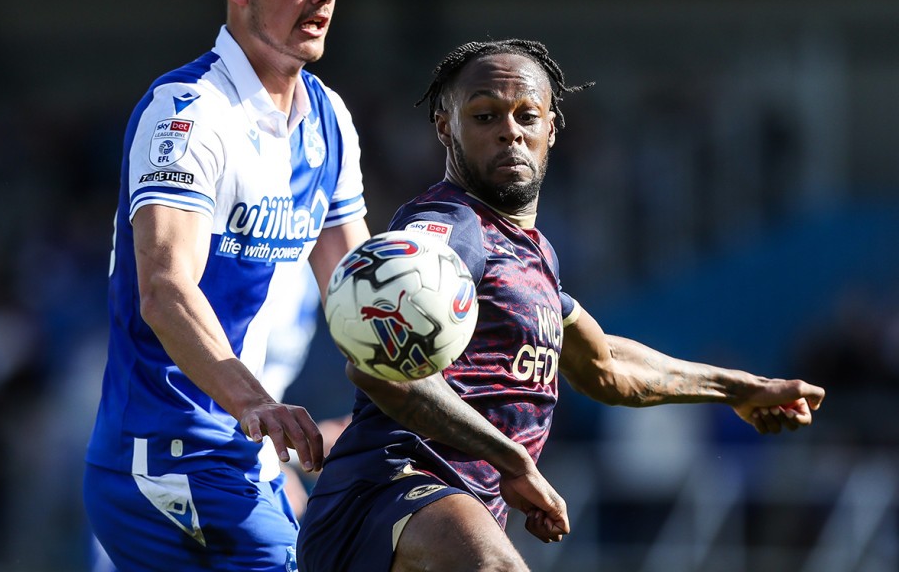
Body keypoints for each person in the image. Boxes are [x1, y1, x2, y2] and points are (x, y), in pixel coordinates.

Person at [296, 38, 826, 571]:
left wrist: (740, 388)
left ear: (552, 128)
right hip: (390, 490)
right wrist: (511, 457)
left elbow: (606, 366)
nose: (510, 131)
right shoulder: (445, 230)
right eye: (484, 115)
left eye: (527, 115)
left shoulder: (531, 255)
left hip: (449, 510)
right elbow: (383, 373)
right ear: (445, 128)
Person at [83, 0, 370, 570]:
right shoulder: (188, 114)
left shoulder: (328, 121)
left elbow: (363, 298)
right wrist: (260, 405)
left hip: (242, 456)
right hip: (166, 456)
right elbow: (165, 290)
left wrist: (423, 405)